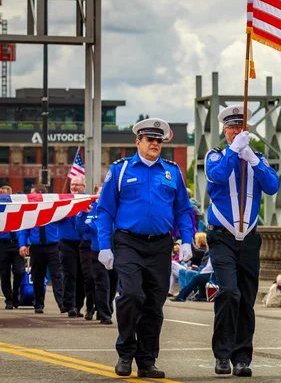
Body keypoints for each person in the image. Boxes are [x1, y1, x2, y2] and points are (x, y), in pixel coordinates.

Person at [97, 117, 193, 379]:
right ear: (137, 142)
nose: (155, 144)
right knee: (131, 295)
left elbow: (184, 210)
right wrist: (104, 246)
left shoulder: (172, 172)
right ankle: (126, 352)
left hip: (161, 244)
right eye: (150, 139)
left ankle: (147, 360)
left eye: (159, 140)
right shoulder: (120, 170)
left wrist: (187, 240)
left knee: (154, 304)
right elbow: (105, 210)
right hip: (128, 242)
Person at [204, 104, 279, 377]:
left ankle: (242, 358)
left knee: (246, 299)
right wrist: (235, 152)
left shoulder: (256, 157)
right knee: (229, 292)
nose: (236, 131)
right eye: (232, 127)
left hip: (249, 239)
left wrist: (254, 160)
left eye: (240, 127)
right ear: (225, 131)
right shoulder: (215, 156)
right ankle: (222, 354)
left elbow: (272, 187)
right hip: (221, 237)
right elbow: (217, 177)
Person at [18, 184, 64, 314]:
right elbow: (24, 229)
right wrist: (23, 244)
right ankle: (38, 304)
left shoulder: (53, 208)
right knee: (37, 276)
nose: (30, 196)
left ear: (39, 193)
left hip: (53, 246)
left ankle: (61, 303)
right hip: (36, 247)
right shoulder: (30, 211)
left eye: (32, 193)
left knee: (57, 275)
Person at [76, 183, 117, 324]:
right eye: (100, 193)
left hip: (115, 252)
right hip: (97, 252)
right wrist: (84, 215)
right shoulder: (91, 210)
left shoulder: (115, 209)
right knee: (101, 283)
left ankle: (105, 308)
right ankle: (104, 313)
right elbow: (81, 228)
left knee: (112, 284)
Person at [58, 175, 88, 318]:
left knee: (82, 275)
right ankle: (69, 305)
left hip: (83, 243)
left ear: (84, 187)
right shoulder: (63, 201)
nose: (74, 187)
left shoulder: (88, 201)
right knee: (69, 274)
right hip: (67, 241)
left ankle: (78, 305)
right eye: (72, 184)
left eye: (77, 185)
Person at [0, 185, 25, 310]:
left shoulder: (17, 205)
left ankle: (15, 293)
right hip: (3, 243)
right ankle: (8, 299)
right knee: (4, 273)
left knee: (19, 271)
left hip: (16, 242)